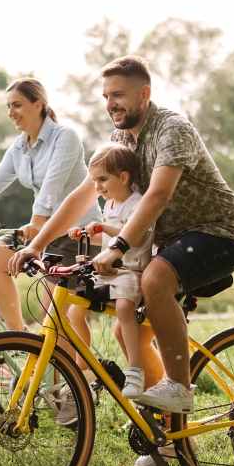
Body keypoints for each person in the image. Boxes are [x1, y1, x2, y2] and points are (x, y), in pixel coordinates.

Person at [10, 55, 234, 466]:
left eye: (118, 95)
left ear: (144, 93)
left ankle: (180, 385)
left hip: (218, 232)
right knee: (131, 334)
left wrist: (118, 246)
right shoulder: (120, 142)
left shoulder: (172, 129)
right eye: (106, 96)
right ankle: (167, 437)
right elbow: (84, 195)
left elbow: (158, 195)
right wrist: (38, 243)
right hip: (169, 240)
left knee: (156, 280)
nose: (111, 104)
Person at [0, 77, 102, 425]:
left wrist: (36, 224)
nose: (11, 112)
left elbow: (53, 187)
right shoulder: (19, 147)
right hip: (41, 229)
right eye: (8, 106)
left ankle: (81, 387)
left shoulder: (65, 137)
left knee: (63, 319)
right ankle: (20, 339)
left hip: (77, 233)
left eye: (17, 105)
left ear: (38, 104)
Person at [68, 142, 156, 399]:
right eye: (94, 181)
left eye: (102, 180)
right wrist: (86, 232)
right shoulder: (111, 205)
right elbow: (107, 242)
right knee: (75, 307)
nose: (97, 188)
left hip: (132, 271)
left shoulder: (137, 203)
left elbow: (136, 238)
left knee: (124, 309)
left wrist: (103, 228)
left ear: (124, 177)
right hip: (109, 271)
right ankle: (82, 363)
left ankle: (135, 371)